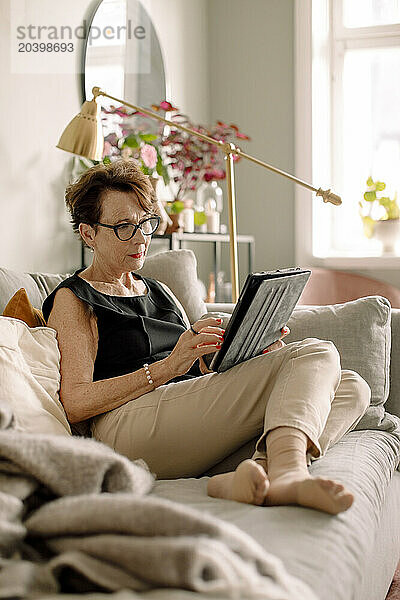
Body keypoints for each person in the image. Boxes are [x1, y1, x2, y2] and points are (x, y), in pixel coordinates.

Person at [43, 159, 371, 515]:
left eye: (145, 223)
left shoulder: (159, 290)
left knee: (353, 386)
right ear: (89, 233)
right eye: (124, 227)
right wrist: (168, 367)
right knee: (315, 354)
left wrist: (247, 354)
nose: (140, 238)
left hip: (181, 412)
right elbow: (75, 402)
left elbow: (196, 368)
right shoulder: (74, 298)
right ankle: (289, 472)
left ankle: (253, 477)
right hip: (124, 425)